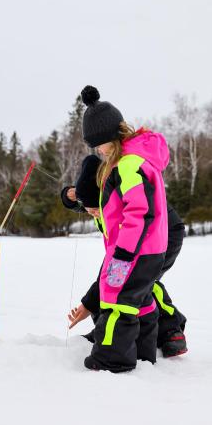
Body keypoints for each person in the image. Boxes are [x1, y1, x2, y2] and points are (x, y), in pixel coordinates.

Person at [61, 85, 185, 372]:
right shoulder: (132, 161)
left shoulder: (128, 165)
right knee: (139, 300)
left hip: (135, 251)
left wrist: (124, 253)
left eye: (98, 146)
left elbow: (139, 211)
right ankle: (142, 354)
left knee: (117, 299)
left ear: (107, 138)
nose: (98, 151)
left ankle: (111, 358)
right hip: (148, 249)